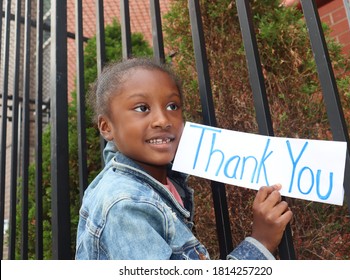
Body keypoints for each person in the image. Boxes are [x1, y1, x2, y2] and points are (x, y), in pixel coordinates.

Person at [75, 57, 293, 260]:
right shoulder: (126, 206)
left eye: (172, 106)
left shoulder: (159, 178)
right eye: (142, 108)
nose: (162, 120)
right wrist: (261, 242)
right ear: (106, 127)